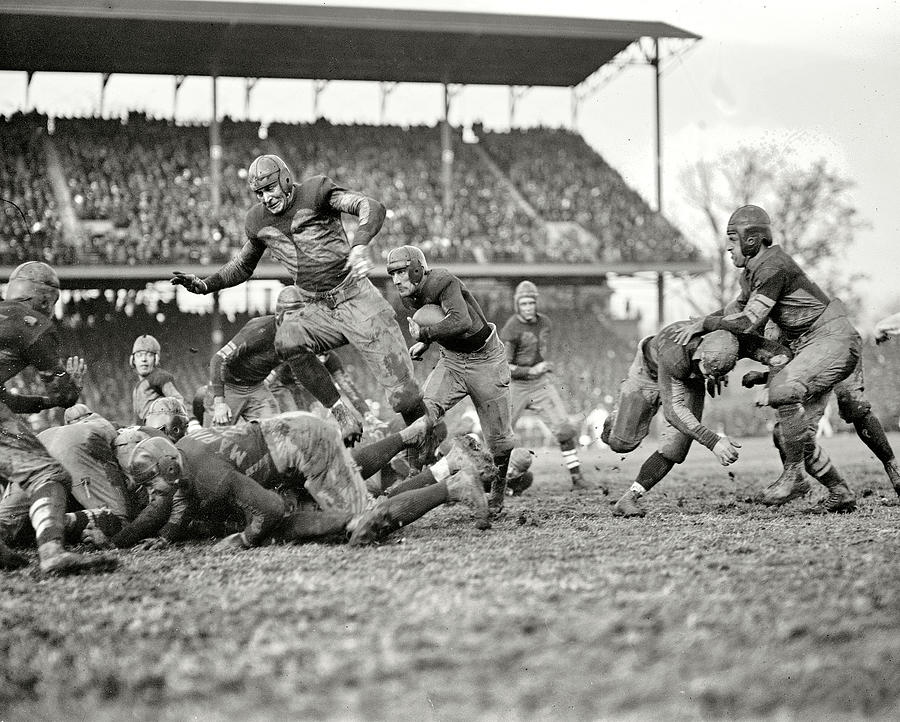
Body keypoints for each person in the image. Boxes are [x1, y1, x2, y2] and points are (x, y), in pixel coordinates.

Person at [170, 155, 428, 453]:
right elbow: (242, 266)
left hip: (354, 295)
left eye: (269, 188)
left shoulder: (316, 192)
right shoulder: (258, 221)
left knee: (404, 397)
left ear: (284, 179)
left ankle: (424, 450)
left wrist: (358, 247)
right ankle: (341, 413)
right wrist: (205, 285)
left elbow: (369, 206)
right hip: (315, 305)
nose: (266, 198)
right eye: (259, 193)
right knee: (288, 340)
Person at [674, 205, 860, 512]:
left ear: (751, 239)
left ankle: (795, 477)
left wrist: (708, 324)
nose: (728, 246)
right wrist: (704, 333)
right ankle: (840, 491)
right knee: (787, 435)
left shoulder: (772, 265)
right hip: (812, 345)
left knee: (784, 391)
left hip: (831, 339)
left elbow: (748, 322)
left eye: (733, 238)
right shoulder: (754, 273)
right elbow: (731, 313)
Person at [113, 410, 492, 549]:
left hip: (302, 445)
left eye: (150, 483)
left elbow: (271, 509)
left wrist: (244, 539)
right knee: (350, 482)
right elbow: (171, 506)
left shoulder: (208, 476)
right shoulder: (182, 450)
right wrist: (131, 540)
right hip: (289, 444)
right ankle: (421, 447)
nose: (151, 493)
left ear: (168, 468)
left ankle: (452, 486)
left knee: (365, 520)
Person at [605, 322, 792, 518]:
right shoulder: (675, 352)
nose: (710, 375)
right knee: (621, 444)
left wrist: (767, 383)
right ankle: (616, 419)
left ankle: (629, 498)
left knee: (674, 448)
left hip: (688, 378)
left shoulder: (738, 341)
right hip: (649, 373)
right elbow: (673, 411)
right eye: (707, 370)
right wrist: (713, 442)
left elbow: (782, 355)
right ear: (700, 352)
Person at [0, 261, 116, 574]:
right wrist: (68, 391)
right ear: (45, 300)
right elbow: (65, 395)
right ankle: (51, 551)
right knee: (49, 475)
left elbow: (6, 399)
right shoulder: (33, 324)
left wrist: (45, 402)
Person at [385, 244, 516, 512]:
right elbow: (442, 325)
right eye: (392, 274)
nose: (396, 279)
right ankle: (415, 473)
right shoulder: (410, 295)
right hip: (452, 360)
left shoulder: (442, 281)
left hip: (486, 361)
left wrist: (425, 336)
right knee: (424, 415)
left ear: (416, 268)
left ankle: (497, 494)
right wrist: (427, 343)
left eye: (400, 272)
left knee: (500, 444)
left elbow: (461, 321)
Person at [206, 287, 362, 444]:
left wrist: (342, 415)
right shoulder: (257, 331)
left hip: (256, 387)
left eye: (300, 315)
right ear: (279, 316)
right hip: (229, 388)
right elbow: (217, 359)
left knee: (278, 440)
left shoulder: (299, 337)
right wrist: (220, 403)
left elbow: (314, 375)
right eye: (290, 314)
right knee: (216, 444)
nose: (295, 320)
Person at [500, 280, 601, 492]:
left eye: (531, 303)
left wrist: (544, 367)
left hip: (540, 385)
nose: (528, 307)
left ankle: (576, 478)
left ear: (536, 303)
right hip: (517, 386)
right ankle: (496, 481)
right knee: (500, 435)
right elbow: (504, 366)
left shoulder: (545, 322)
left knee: (564, 429)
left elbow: (543, 349)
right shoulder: (511, 328)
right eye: (524, 303)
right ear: (518, 304)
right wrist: (530, 370)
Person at [130, 333, 184, 425]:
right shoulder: (137, 386)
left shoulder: (161, 377)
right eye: (139, 355)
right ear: (133, 360)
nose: (144, 359)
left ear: (156, 359)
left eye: (149, 355)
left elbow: (179, 402)